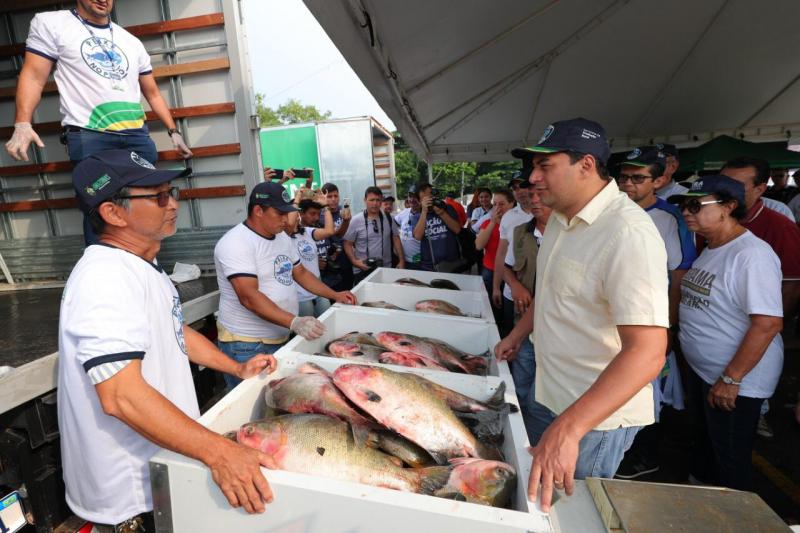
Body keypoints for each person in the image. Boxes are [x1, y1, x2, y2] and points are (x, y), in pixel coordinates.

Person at [58, 150, 277, 530]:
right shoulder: (105, 277)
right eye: (157, 196)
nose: (172, 203)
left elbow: (173, 330)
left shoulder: (144, 266)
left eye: (170, 192)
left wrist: (236, 367)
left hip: (165, 471)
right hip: (132, 504)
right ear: (113, 213)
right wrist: (219, 452)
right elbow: (121, 396)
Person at [496, 118, 669, 512]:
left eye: (546, 166)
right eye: (532, 167)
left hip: (592, 419)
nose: (533, 178)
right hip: (550, 393)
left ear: (586, 165)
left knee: (569, 515)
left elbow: (647, 352)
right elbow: (551, 293)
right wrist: (519, 334)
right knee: (537, 504)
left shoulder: (627, 234)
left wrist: (569, 428)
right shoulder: (561, 218)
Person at [667, 176, 783, 490]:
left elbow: (768, 323)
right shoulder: (713, 246)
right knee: (707, 445)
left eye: (695, 205)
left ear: (729, 207)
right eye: (683, 206)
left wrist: (731, 379)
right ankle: (702, 498)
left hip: (735, 380)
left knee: (730, 457)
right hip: (707, 370)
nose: (686, 213)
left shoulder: (751, 255)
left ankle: (736, 517)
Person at [214, 182, 356, 390]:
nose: (285, 219)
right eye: (279, 213)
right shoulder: (236, 243)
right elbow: (248, 297)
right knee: (251, 410)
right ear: (258, 211)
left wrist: (335, 294)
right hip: (247, 344)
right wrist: (294, 322)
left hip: (278, 336)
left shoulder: (282, 237)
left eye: (286, 212)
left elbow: (300, 272)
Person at [615, 146, 698, 479]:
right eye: (624, 177)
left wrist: (668, 327)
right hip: (614, 320)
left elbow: (678, 274)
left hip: (649, 321)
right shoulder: (614, 210)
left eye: (638, 178)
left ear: (660, 180)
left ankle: (644, 455)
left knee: (646, 390)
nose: (628, 184)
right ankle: (622, 448)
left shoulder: (669, 218)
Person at [721, 156, 800, 438]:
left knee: (741, 409)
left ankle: (759, 414)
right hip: (720, 335)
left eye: (737, 185)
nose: (726, 190)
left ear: (760, 189)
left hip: (756, 329)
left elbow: (790, 288)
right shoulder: (715, 220)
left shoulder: (779, 227)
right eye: (723, 182)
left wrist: (769, 327)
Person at [495, 187, 552, 444]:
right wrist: (513, 285)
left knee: (541, 398)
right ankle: (519, 438)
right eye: (532, 197)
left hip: (553, 333)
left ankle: (533, 442)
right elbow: (507, 267)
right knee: (520, 384)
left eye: (541, 197)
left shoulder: (568, 236)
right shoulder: (521, 232)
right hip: (524, 322)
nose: (535, 202)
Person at [492, 171, 536, 331]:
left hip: (540, 295)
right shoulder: (508, 217)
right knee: (511, 336)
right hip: (511, 292)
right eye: (515, 188)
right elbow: (502, 253)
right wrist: (496, 286)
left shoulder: (550, 214)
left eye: (523, 186)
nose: (520, 191)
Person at [343, 186, 405, 284]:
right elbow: (347, 243)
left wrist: (401, 261)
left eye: (378, 200)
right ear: (365, 200)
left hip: (386, 269)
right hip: (363, 270)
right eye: (371, 200)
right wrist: (354, 261)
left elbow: (396, 238)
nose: (375, 203)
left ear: (381, 201)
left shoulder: (388, 218)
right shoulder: (356, 220)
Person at [289, 195, 338, 318]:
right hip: (300, 295)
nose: (316, 217)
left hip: (318, 288)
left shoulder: (307, 231)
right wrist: (296, 200)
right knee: (308, 332)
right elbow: (289, 225)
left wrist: (325, 207)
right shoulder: (283, 236)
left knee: (327, 320)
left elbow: (329, 231)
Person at [475, 189, 515, 325]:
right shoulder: (487, 223)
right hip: (490, 271)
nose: (498, 208)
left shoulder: (518, 224)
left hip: (511, 273)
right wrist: (493, 223)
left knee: (508, 310)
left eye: (502, 204)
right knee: (491, 309)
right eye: (495, 204)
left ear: (512, 204)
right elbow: (479, 245)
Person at [412, 182, 465, 272]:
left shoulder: (448, 208)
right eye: (425, 199)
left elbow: (457, 230)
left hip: (453, 263)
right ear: (419, 202)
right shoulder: (417, 217)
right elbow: (417, 236)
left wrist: (441, 213)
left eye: (431, 195)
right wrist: (424, 212)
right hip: (430, 266)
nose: (430, 200)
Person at [318, 183, 353, 290]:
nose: (333, 199)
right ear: (324, 198)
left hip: (345, 257)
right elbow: (335, 234)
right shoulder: (321, 215)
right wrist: (345, 222)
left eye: (336, 196)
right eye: (329, 196)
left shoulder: (343, 210)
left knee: (349, 288)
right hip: (331, 261)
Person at [396, 187, 423, 269]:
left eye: (415, 197)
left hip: (422, 261)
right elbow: (392, 227)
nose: (412, 199)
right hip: (405, 261)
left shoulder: (427, 214)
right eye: (410, 196)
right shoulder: (404, 213)